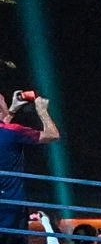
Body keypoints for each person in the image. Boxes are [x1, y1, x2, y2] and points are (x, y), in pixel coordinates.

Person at [0, 76, 57, 227]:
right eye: (3, 102)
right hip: (11, 206)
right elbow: (52, 135)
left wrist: (12, 111)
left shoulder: (8, 132)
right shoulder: (14, 131)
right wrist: (42, 111)